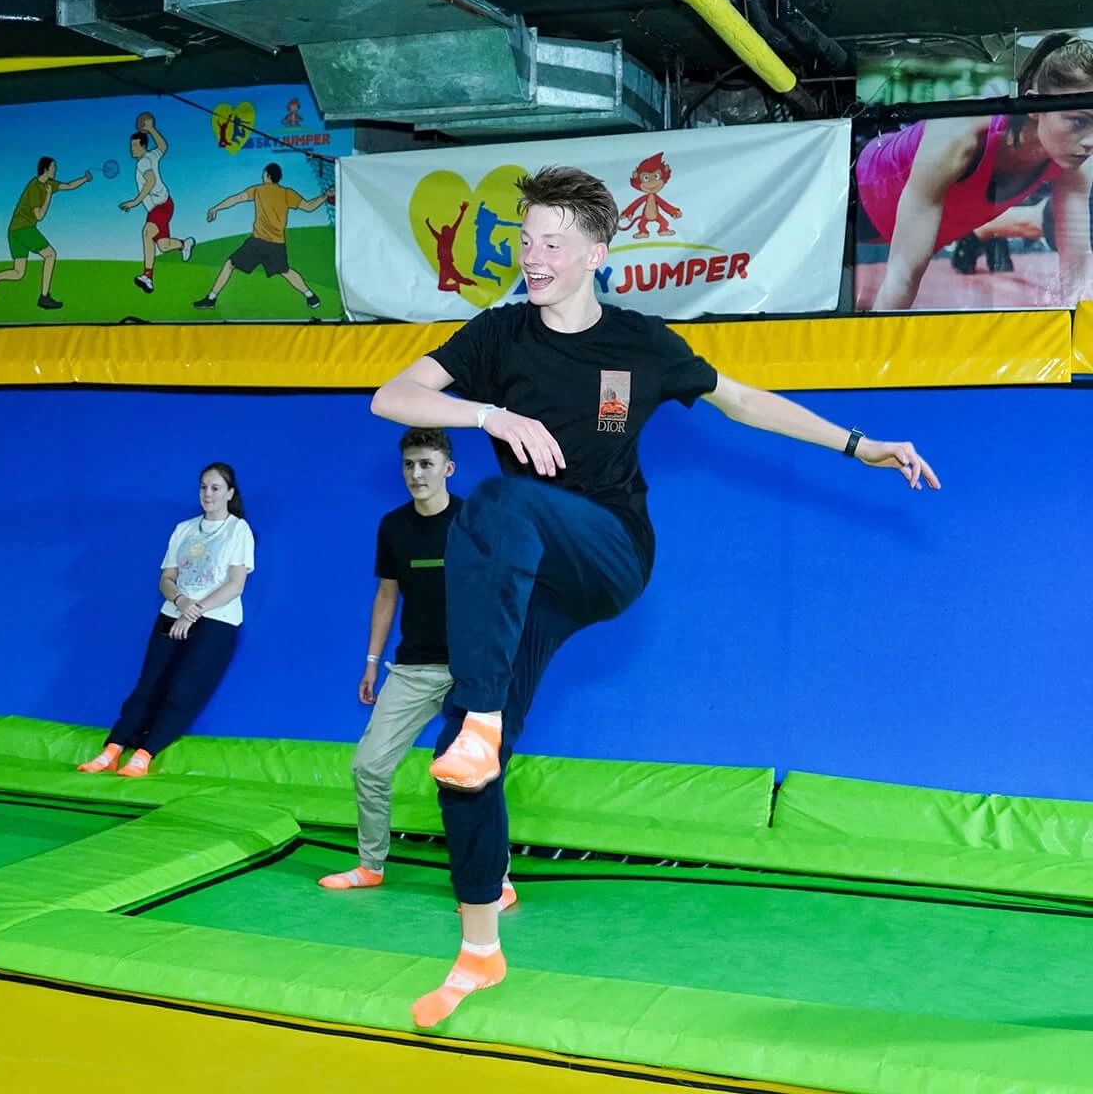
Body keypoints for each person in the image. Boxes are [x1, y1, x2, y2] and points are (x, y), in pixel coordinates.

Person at [370, 165, 939, 1030]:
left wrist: (858, 443)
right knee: (462, 758)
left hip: (607, 554)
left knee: (497, 503)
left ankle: (482, 725)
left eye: (553, 242)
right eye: (525, 240)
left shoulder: (642, 343)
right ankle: (480, 948)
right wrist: (490, 417)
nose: (534, 255)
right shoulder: (497, 335)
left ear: (597, 254)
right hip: (530, 576)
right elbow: (392, 396)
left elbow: (742, 401)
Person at [316, 429, 519, 911]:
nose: (416, 474)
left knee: (472, 776)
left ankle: (496, 882)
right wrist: (371, 662)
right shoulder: (393, 527)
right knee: (368, 765)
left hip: (471, 671)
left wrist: (496, 662)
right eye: (409, 465)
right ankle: (370, 865)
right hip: (412, 668)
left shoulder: (477, 521)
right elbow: (387, 595)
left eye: (427, 464)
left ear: (448, 468)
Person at [856, 33, 1093, 310]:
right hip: (857, 198)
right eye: (1078, 121)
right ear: (1034, 105)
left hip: (932, 217)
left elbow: (1076, 265)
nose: (1091, 142)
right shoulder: (960, 133)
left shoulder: (1076, 160)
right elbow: (903, 275)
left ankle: (978, 234)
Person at [77, 463, 255, 778]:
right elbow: (167, 578)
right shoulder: (184, 529)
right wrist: (180, 602)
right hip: (173, 613)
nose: (208, 494)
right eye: (203, 487)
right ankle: (113, 748)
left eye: (215, 488)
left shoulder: (237, 530)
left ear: (229, 493)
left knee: (184, 689)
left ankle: (144, 753)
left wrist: (195, 609)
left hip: (216, 620)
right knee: (148, 685)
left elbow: (235, 584)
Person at [194, 163, 333, 312]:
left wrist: (216, 208)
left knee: (230, 264)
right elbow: (309, 207)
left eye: (263, 174)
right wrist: (325, 195)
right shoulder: (287, 193)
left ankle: (211, 299)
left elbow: (236, 198)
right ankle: (311, 296)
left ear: (267, 175)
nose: (262, 176)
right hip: (277, 244)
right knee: (286, 271)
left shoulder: (258, 190)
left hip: (257, 243)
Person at [0, 157, 91, 310]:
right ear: (45, 169)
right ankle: (44, 297)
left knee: (19, 272)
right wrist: (48, 196)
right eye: (53, 167)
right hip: (23, 228)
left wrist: (85, 179)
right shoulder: (35, 186)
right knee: (50, 254)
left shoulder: (49, 184)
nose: (56, 170)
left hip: (14, 231)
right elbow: (39, 216)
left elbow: (69, 185)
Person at [120, 113, 194, 293]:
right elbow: (163, 146)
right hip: (164, 204)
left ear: (143, 146)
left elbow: (151, 181)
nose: (132, 149)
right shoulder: (152, 156)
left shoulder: (143, 163)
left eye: (135, 146)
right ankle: (185, 244)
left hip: (160, 206)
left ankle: (147, 276)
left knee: (146, 232)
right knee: (163, 245)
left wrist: (134, 202)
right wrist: (151, 128)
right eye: (131, 146)